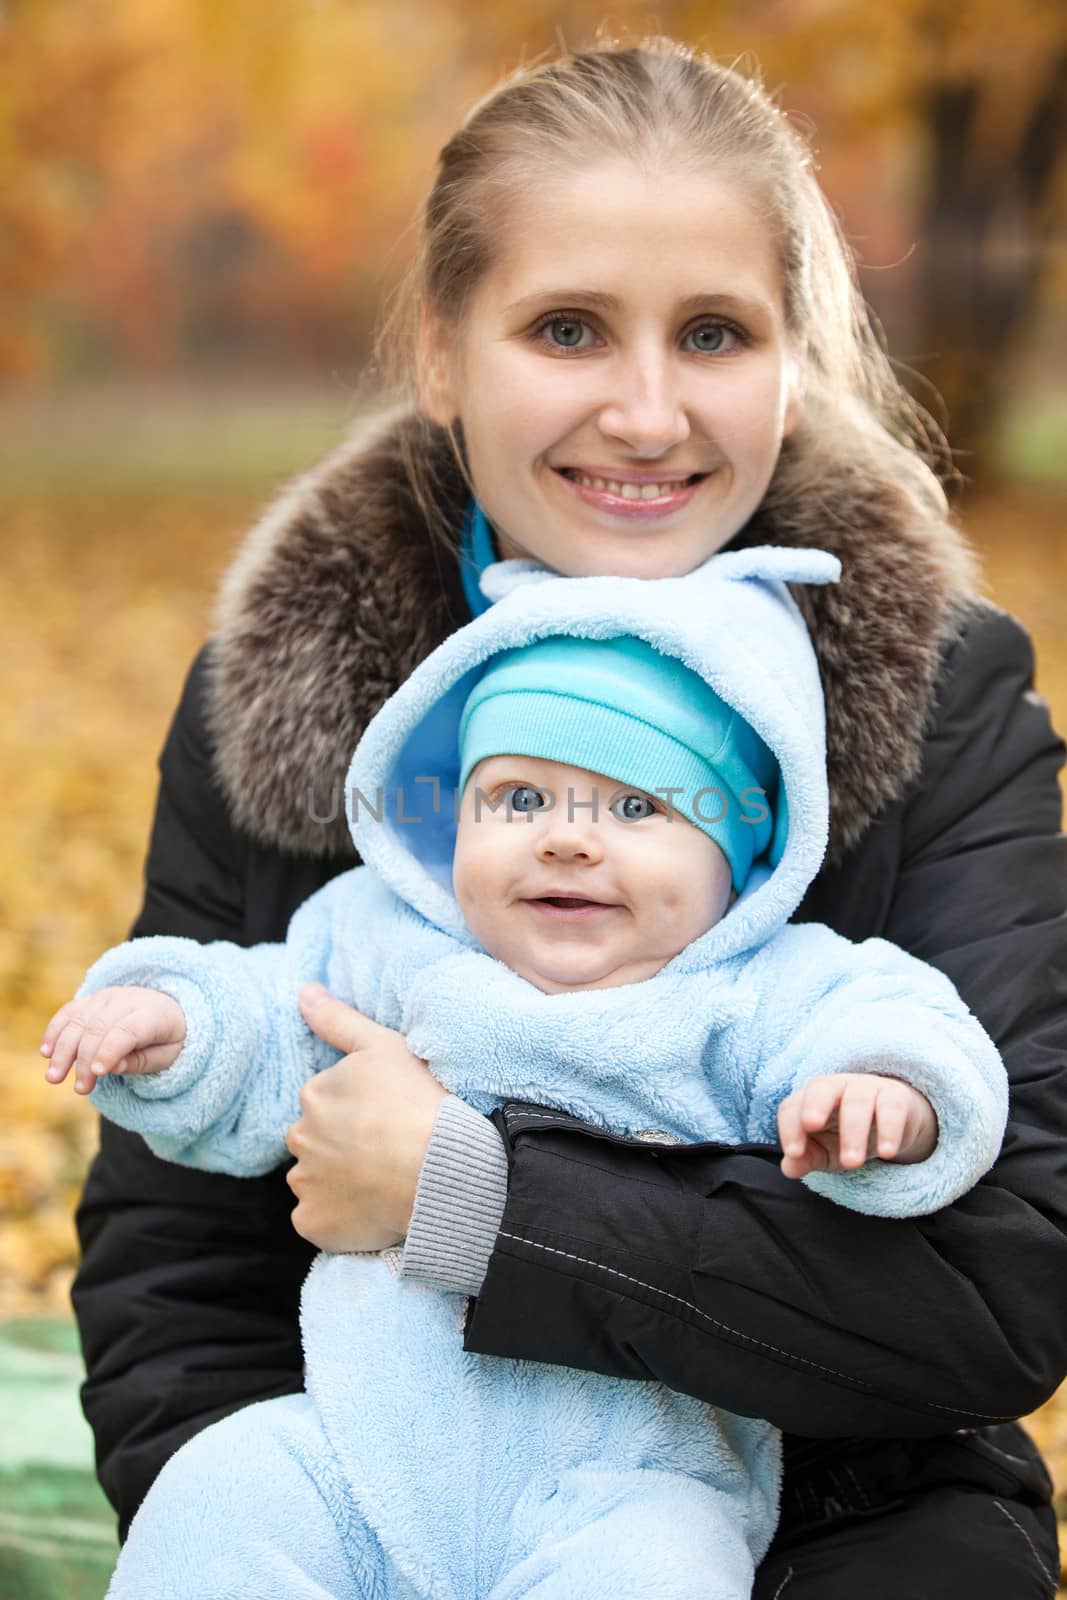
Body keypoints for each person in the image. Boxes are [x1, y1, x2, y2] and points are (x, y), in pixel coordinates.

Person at [69, 38, 1067, 1598]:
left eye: (715, 334)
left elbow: (989, 1293)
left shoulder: (938, 703)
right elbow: (180, 1276)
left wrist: (476, 1201)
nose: (648, 413)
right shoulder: (292, 699)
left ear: (790, 361)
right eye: (567, 329)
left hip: (845, 1509)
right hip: (359, 1474)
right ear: (444, 350)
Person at [47, 549, 1009, 1599]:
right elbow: (275, 1018)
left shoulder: (755, 988)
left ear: (737, 852)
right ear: (449, 816)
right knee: (222, 1490)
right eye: (515, 799)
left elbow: (898, 1020)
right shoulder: (395, 945)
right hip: (363, 1442)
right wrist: (177, 1022)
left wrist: (889, 1093)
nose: (564, 842)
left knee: (656, 1574)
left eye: (635, 808)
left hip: (630, 1479)